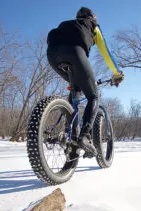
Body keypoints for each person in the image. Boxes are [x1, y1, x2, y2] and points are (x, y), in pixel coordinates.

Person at [46, 7, 124, 156]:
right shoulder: (93, 27)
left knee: (76, 89)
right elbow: (106, 52)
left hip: (52, 55)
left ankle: (71, 134)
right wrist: (117, 73)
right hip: (75, 53)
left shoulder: (66, 24)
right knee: (93, 96)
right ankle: (84, 137)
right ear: (92, 18)